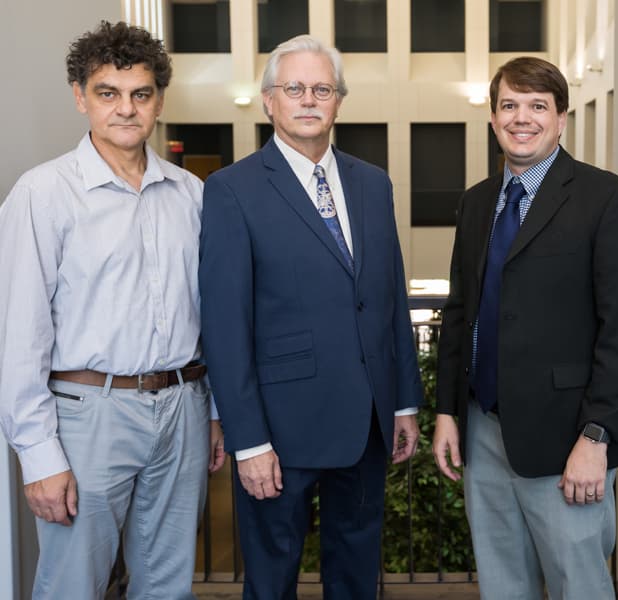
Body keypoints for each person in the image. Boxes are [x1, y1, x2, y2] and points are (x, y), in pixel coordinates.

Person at [0, 21, 225, 600]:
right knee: (73, 586)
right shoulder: (42, 193)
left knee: (168, 587)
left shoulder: (191, 194)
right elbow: (19, 335)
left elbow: (212, 316)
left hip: (182, 409)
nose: (126, 109)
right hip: (86, 419)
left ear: (158, 102)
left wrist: (216, 412)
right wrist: (38, 455)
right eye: (108, 93)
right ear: (81, 97)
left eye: (140, 94)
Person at [199, 34, 423, 600]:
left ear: (338, 101)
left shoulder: (373, 184)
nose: (308, 99)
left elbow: (389, 297)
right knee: (271, 581)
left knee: (355, 577)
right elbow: (224, 327)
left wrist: (402, 401)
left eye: (321, 88)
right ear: (269, 100)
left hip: (367, 425)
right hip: (280, 432)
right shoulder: (231, 190)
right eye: (293, 88)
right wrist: (247, 441)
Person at [432, 56, 618, 599]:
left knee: (580, 584)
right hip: (483, 428)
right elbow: (460, 312)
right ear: (492, 117)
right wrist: (445, 410)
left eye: (537, 106)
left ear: (561, 119)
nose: (521, 118)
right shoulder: (477, 202)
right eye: (509, 105)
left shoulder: (608, 199)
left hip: (567, 437)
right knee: (503, 584)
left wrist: (598, 437)